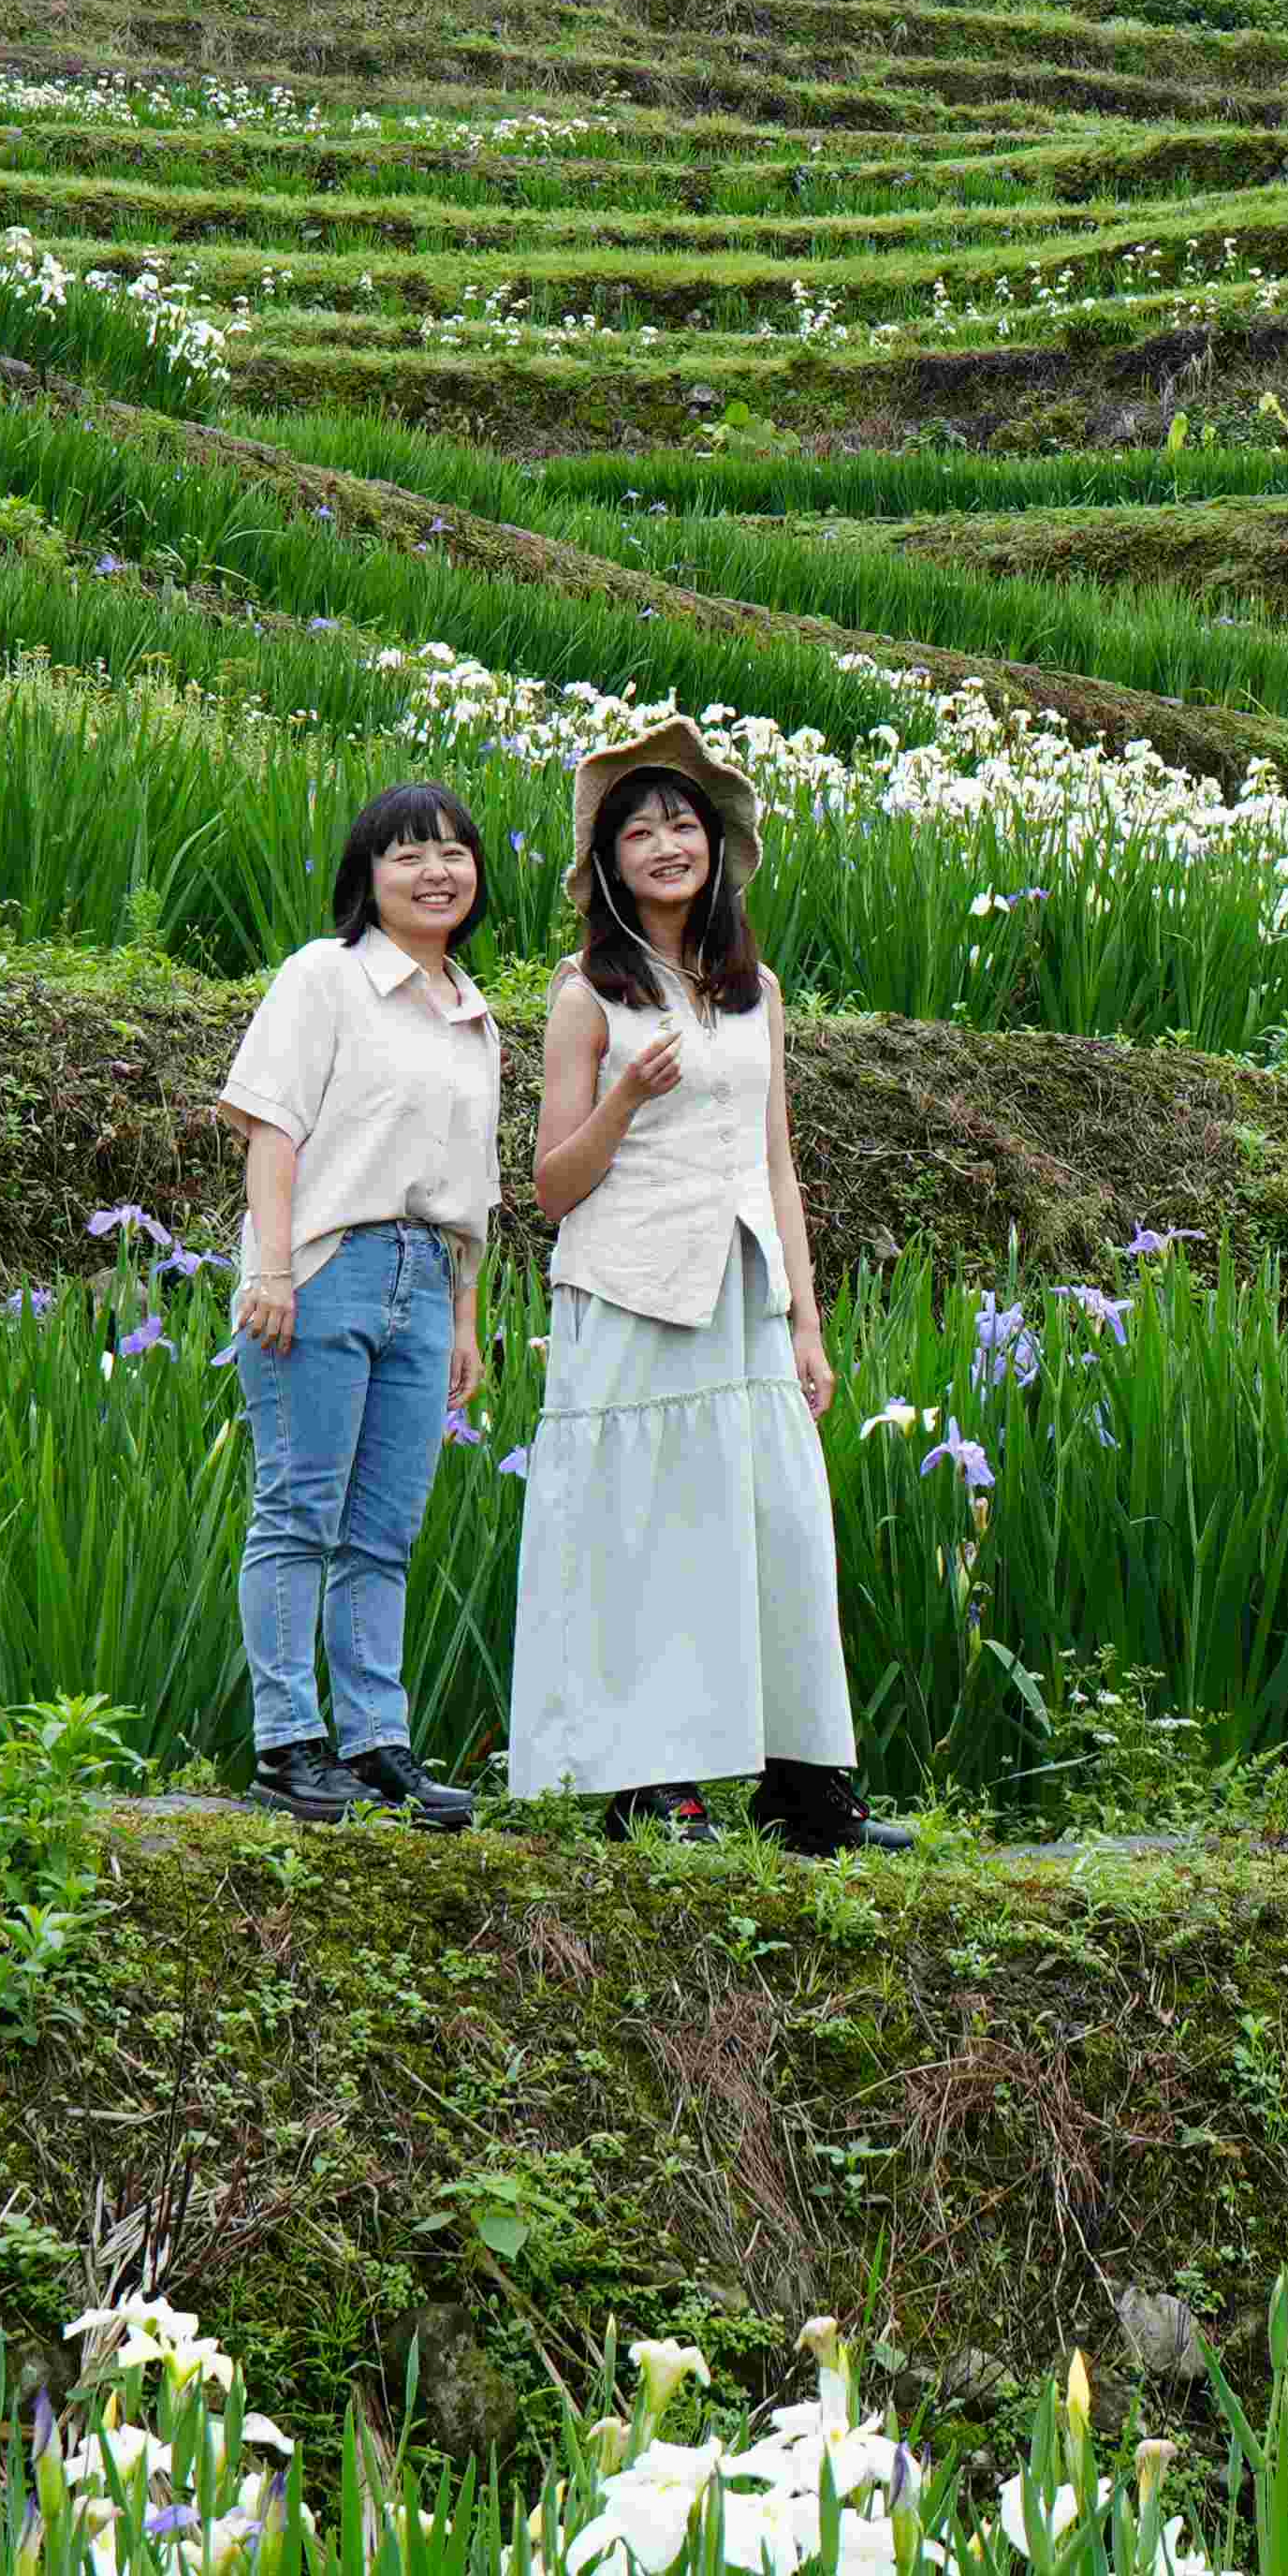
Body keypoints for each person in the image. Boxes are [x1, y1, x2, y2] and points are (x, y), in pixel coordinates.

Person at [507, 719, 896, 1851]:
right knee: (648, 1529)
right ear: (611, 866)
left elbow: (775, 1162)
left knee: (775, 1522)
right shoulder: (588, 996)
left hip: (741, 1288)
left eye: (684, 824)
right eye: (641, 831)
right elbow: (548, 1188)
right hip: (630, 1288)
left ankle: (806, 1789)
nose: (667, 843)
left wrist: (807, 1320)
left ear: (717, 849)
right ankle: (651, 1784)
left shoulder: (753, 989)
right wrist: (624, 1101)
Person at [213, 784, 505, 1830]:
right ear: (367, 877)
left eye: (455, 853)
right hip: (327, 1265)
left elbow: (477, 1188)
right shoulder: (324, 978)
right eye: (408, 855)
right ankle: (290, 1742)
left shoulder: (477, 1014)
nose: (436, 872)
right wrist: (273, 1269)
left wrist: (466, 1317)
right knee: (298, 1510)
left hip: (427, 1281)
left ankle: (378, 1743)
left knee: (386, 1529)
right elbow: (272, 1132)